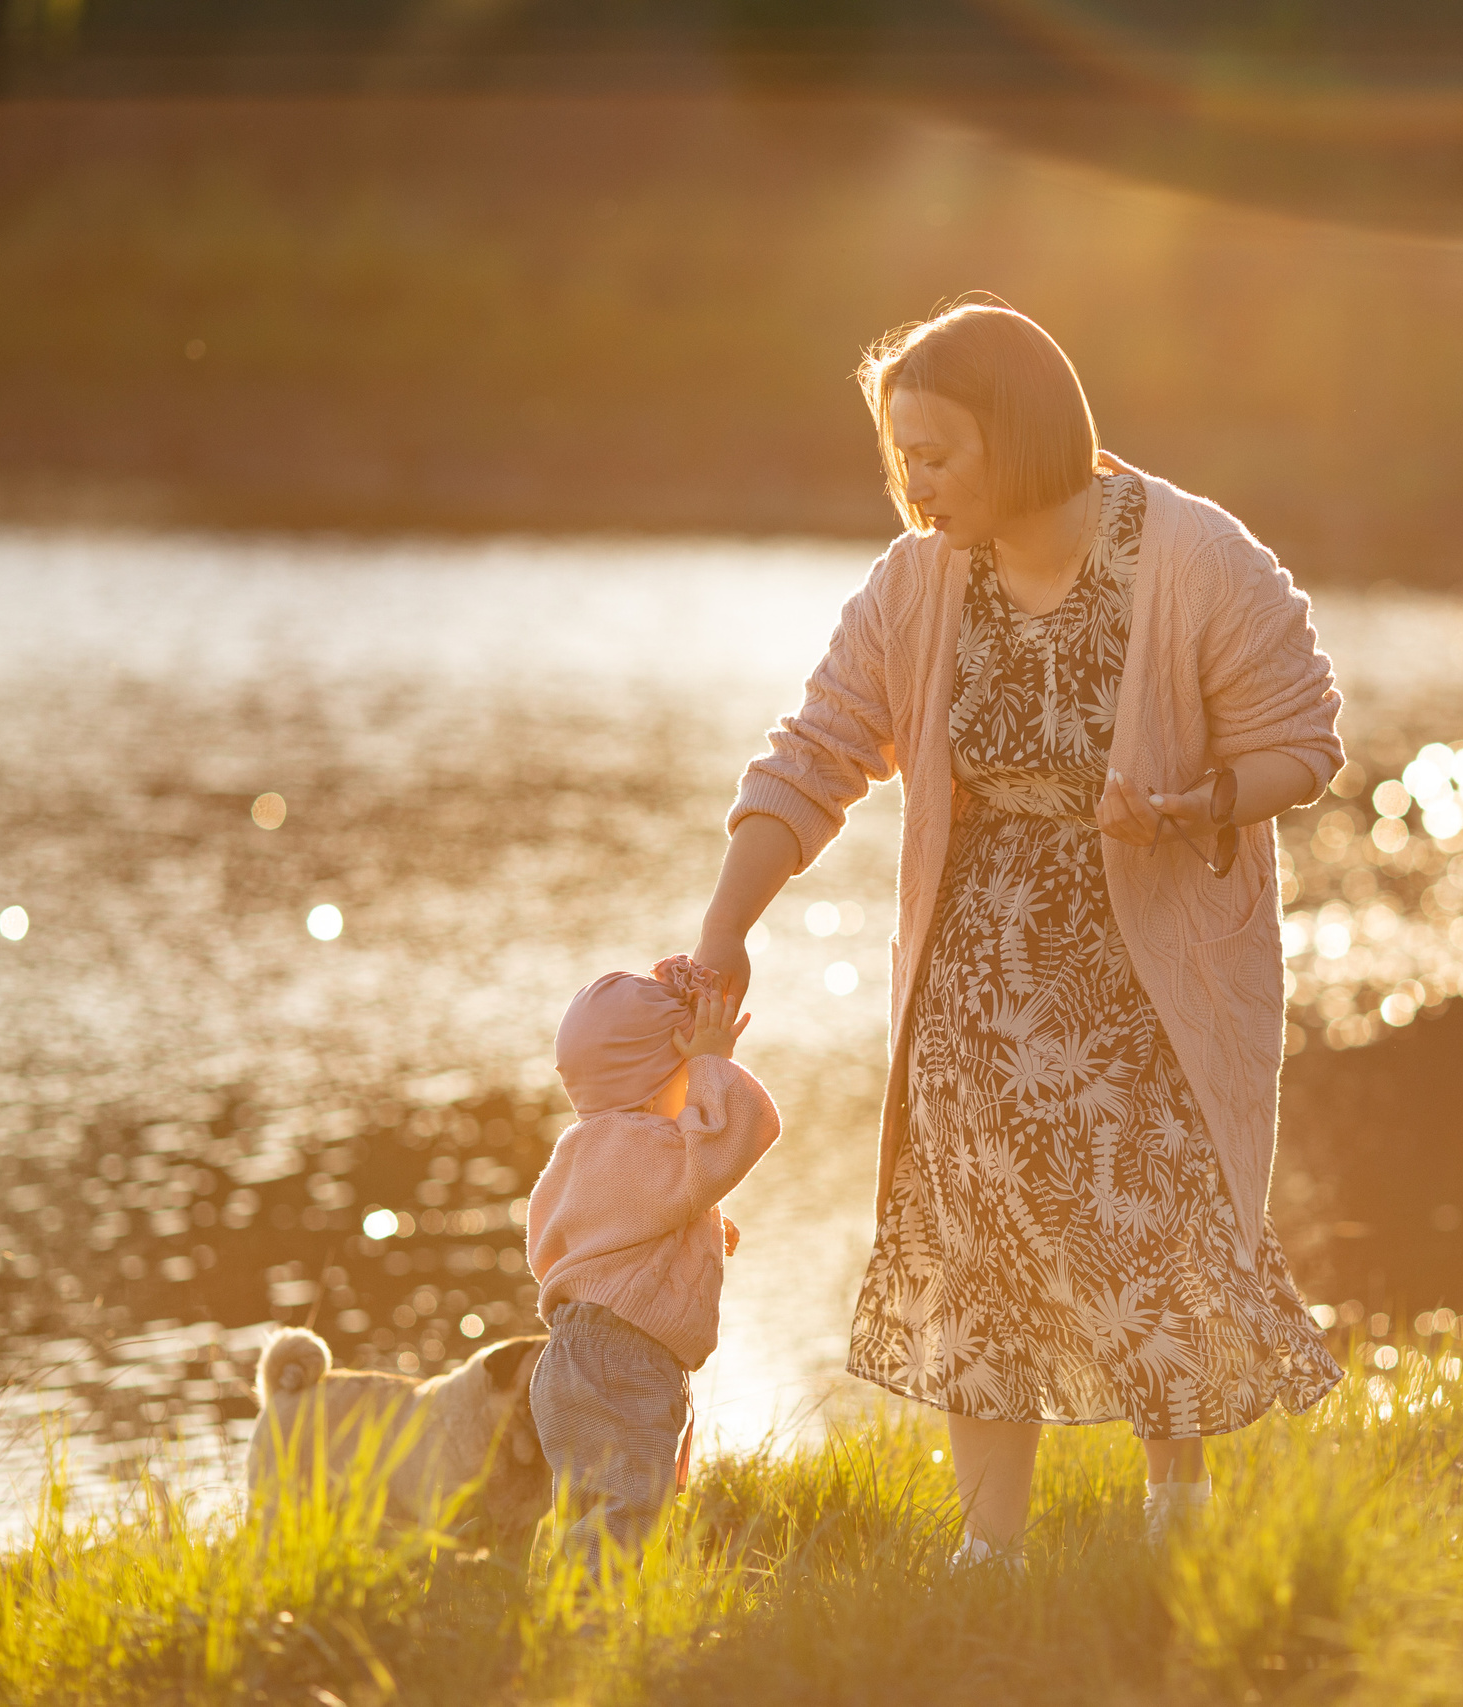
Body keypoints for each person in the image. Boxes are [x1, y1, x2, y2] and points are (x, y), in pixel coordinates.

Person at [693, 302, 1345, 1559]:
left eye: (936, 453)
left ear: (1025, 432)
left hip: (1139, 982)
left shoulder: (1196, 557)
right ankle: (987, 1551)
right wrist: (727, 930)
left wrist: (1193, 804)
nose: (912, 482)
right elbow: (816, 753)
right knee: (974, 1259)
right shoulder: (918, 580)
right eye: (901, 455)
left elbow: (1300, 740)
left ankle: (1178, 1513)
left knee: (1157, 1234)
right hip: (971, 991)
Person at [525, 958, 777, 1576]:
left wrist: (701, 1227)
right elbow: (741, 1132)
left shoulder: (577, 1150)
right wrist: (714, 1060)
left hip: (562, 1363)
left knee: (587, 1510)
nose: (693, 1093)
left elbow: (575, 1243)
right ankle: (595, 1636)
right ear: (663, 1076)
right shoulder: (651, 1145)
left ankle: (564, 1615)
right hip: (626, 1364)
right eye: (686, 1076)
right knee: (625, 1518)